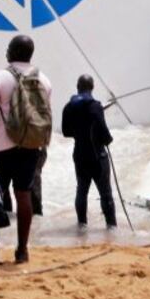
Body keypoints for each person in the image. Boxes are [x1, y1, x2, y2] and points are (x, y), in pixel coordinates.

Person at [0, 35, 51, 264]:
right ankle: (22, 250)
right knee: (23, 195)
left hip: (0, 147)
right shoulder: (43, 79)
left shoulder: (0, 77)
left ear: (13, 51)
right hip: (30, 146)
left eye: (8, 48)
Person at [61, 75, 116, 229]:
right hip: (97, 155)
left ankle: (82, 225)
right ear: (92, 87)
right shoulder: (95, 106)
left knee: (82, 190)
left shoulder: (69, 106)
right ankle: (111, 227)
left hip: (79, 154)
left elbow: (65, 131)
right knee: (105, 193)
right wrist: (108, 140)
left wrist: (80, 133)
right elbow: (103, 130)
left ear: (77, 87)